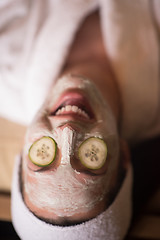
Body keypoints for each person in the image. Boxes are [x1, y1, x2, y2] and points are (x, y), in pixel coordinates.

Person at [0, 0, 159, 239]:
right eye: (89, 158)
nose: (67, 132)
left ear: (25, 148)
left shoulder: (5, 79)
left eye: (44, 155)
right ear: (123, 157)